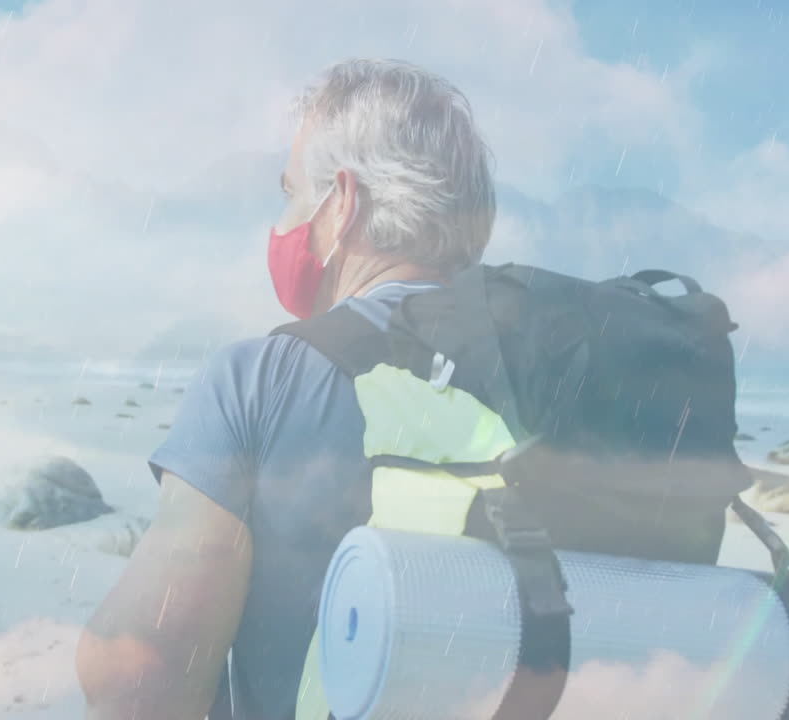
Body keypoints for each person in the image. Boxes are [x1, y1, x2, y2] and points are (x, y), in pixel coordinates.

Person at [75, 57, 498, 720]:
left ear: (342, 205)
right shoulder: (560, 371)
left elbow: (139, 676)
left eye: (292, 192)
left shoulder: (258, 381)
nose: (284, 221)